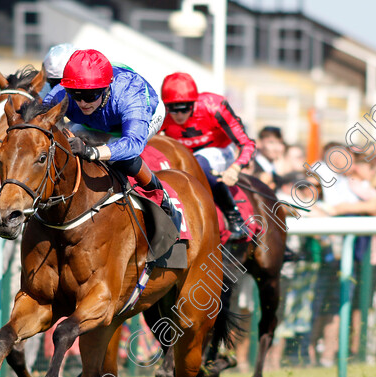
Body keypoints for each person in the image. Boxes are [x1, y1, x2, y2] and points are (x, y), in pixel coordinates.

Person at [42, 49, 172, 214]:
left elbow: (133, 144)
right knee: (66, 138)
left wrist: (92, 152)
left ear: (105, 88)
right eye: (75, 95)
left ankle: (160, 194)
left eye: (90, 95)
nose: (82, 103)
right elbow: (39, 119)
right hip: (98, 122)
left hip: (144, 118)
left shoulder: (129, 93)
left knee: (120, 157)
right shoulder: (62, 92)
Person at [158, 71, 256, 241]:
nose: (179, 116)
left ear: (194, 103)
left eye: (184, 109)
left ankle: (234, 216)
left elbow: (247, 143)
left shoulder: (215, 107)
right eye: (173, 110)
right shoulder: (161, 114)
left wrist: (236, 167)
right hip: (183, 156)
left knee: (199, 163)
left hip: (219, 152)